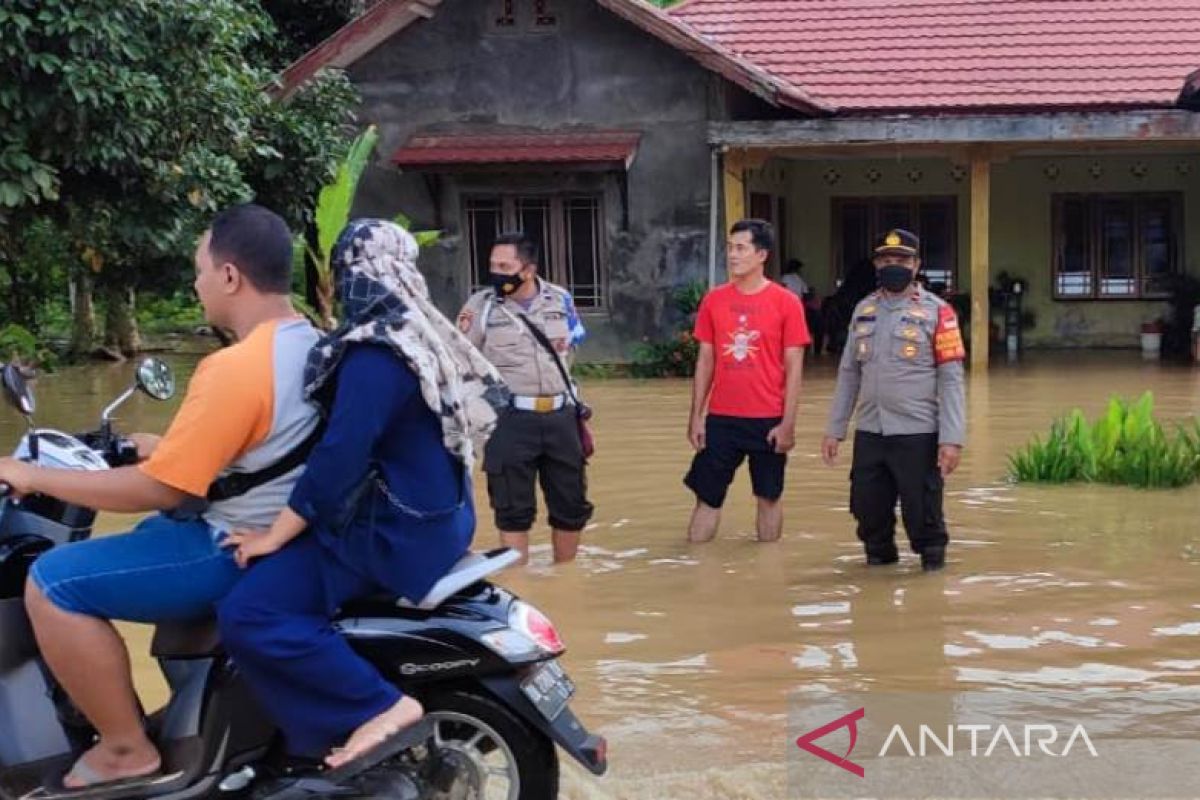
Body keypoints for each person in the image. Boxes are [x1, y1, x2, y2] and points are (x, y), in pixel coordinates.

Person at [0, 204, 319, 789]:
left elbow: (158, 488)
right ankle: (176, 716)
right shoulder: (310, 344)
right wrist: (167, 444)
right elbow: (265, 442)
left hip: (230, 542)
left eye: (199, 270)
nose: (195, 285)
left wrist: (31, 475)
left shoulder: (235, 366)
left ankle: (125, 749)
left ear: (230, 277)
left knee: (51, 582)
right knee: (144, 541)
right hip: (278, 529)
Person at [217, 220, 508, 770]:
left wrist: (274, 534)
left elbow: (340, 458)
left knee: (249, 612)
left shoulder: (377, 352)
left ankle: (378, 706)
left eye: (348, 273)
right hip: (442, 522)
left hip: (394, 536)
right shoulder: (421, 337)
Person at [820, 228, 966, 572]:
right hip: (871, 431)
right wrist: (835, 429)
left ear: (916, 265)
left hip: (918, 432)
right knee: (867, 509)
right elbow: (849, 373)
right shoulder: (864, 309)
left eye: (901, 260)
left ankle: (932, 589)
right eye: (886, 259)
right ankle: (877, 578)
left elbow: (951, 380)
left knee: (923, 516)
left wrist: (952, 439)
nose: (893, 265)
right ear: (876, 264)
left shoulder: (939, 313)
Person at [456, 232, 592, 564]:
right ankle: (520, 589)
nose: (497, 273)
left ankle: (566, 580)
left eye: (506, 266)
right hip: (508, 420)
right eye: (493, 266)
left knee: (570, 504)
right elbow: (459, 361)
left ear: (528, 270)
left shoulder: (560, 300)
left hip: (561, 418)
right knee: (512, 509)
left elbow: (569, 351)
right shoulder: (481, 307)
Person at [684, 219, 811, 543]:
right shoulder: (714, 300)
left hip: (768, 417)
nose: (732, 255)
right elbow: (705, 361)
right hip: (722, 417)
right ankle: (695, 570)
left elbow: (794, 368)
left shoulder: (786, 303)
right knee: (707, 495)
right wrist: (696, 417)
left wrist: (788, 424)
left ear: (761, 255)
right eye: (729, 247)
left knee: (768, 496)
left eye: (741, 248)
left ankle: (769, 571)